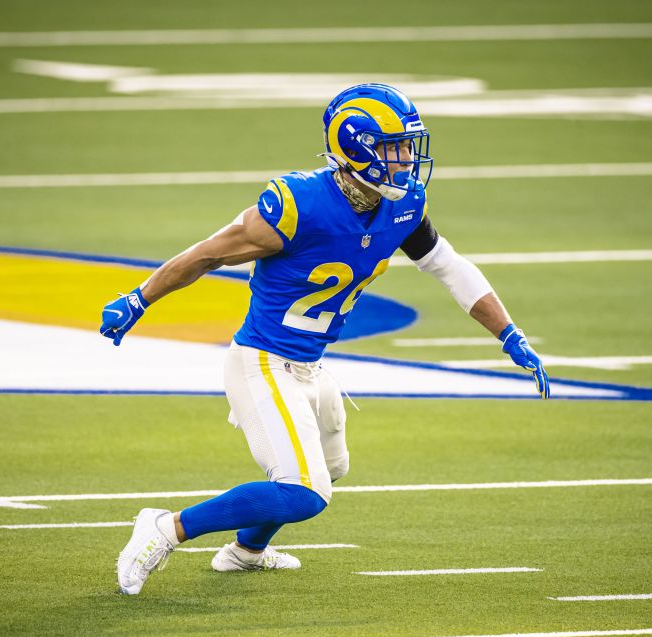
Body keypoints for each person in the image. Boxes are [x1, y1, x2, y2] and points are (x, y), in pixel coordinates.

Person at [100, 83, 549, 595]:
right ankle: (165, 527)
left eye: (408, 147)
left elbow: (447, 265)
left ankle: (245, 551)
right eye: (394, 147)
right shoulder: (299, 204)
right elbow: (207, 254)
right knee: (304, 491)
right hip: (263, 362)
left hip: (311, 365)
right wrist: (138, 299)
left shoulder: (400, 206)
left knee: (331, 468)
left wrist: (508, 332)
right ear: (357, 148)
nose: (406, 159)